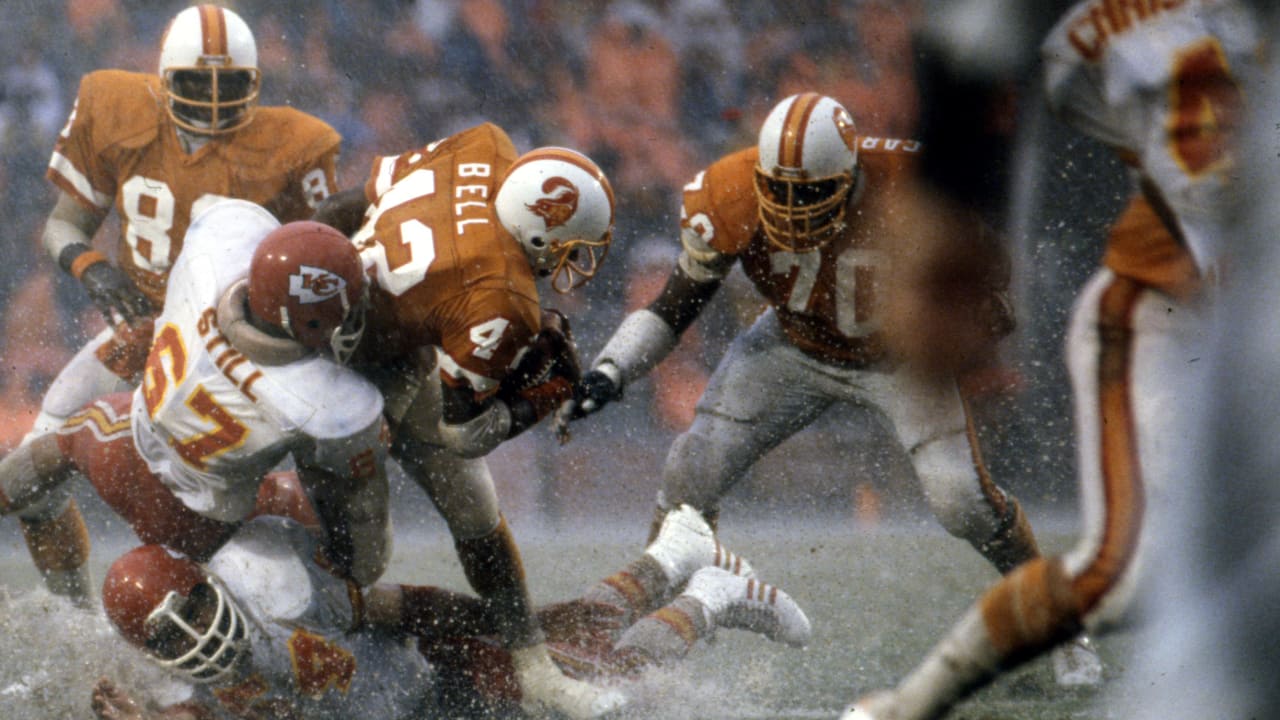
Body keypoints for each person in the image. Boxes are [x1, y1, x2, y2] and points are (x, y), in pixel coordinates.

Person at [840, 2, 1257, 718]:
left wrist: (949, 202)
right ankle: (905, 708)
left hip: (1232, 310)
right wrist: (947, 222)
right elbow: (968, 56)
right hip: (1162, 312)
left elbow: (966, 54)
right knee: (1123, 576)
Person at [570, 92, 1044, 584]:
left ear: (849, 178)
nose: (791, 208)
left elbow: (987, 261)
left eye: (810, 193)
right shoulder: (732, 190)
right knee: (691, 470)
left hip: (897, 357)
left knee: (960, 502)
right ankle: (654, 603)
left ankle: (1056, 616)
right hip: (792, 345)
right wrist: (612, 368)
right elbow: (673, 307)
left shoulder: (908, 187)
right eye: (779, 189)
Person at [19, 4, 341, 604]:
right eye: (197, 82)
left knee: (236, 510)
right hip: (143, 331)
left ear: (255, 84)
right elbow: (63, 225)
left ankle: (322, 595)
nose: (213, 101)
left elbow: (322, 260)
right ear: (165, 78)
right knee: (33, 467)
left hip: (235, 351)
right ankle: (71, 609)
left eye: (229, 84)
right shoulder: (115, 108)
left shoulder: (294, 145)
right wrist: (92, 268)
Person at [312, 121, 618, 718]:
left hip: (360, 340)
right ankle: (312, 642)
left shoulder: (483, 146)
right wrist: (544, 394)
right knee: (373, 551)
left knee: (466, 513)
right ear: (539, 230)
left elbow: (342, 204)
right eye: (570, 247)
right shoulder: (503, 293)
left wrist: (317, 281)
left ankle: (534, 670)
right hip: (340, 378)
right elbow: (461, 426)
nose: (575, 261)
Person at [87, 489, 810, 720]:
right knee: (580, 653)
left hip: (443, 678)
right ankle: (676, 553)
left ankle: (709, 594)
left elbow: (411, 606)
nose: (200, 637)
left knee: (606, 681)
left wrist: (512, 641)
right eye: (174, 636)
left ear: (211, 582)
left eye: (195, 609)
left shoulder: (281, 585)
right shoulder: (197, 690)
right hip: (421, 710)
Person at [0, 200, 391, 600]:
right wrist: (358, 569)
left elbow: (219, 211)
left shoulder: (215, 255)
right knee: (328, 526)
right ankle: (353, 609)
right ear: (305, 324)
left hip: (117, 441)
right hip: (195, 520)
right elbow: (360, 516)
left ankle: (58, 591)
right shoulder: (327, 404)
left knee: (60, 444)